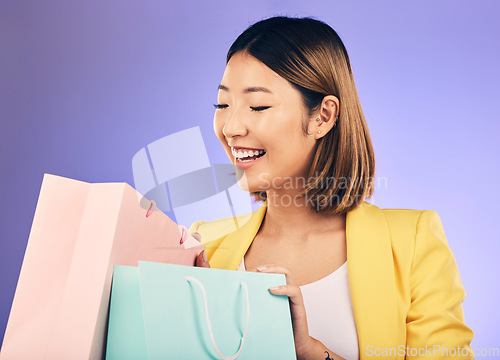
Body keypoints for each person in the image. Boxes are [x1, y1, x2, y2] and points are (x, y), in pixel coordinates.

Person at [190, 16, 474, 360]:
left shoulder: (411, 242)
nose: (231, 127)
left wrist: (311, 352)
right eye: (222, 105)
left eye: (258, 106)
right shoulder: (203, 248)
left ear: (323, 117)